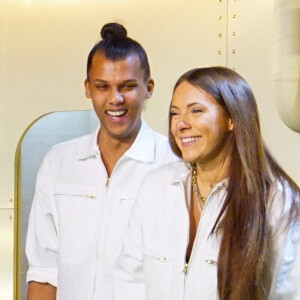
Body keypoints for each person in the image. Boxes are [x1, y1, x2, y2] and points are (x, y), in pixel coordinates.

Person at [114, 67, 300, 300]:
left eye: (196, 111)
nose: (181, 124)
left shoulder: (276, 201)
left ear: (232, 119)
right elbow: (130, 281)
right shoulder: (156, 187)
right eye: (175, 113)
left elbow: (288, 294)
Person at [25, 23, 176, 300]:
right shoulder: (58, 163)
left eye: (127, 86)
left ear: (149, 88)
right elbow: (44, 273)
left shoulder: (173, 166)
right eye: (102, 87)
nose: (115, 99)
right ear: (88, 88)